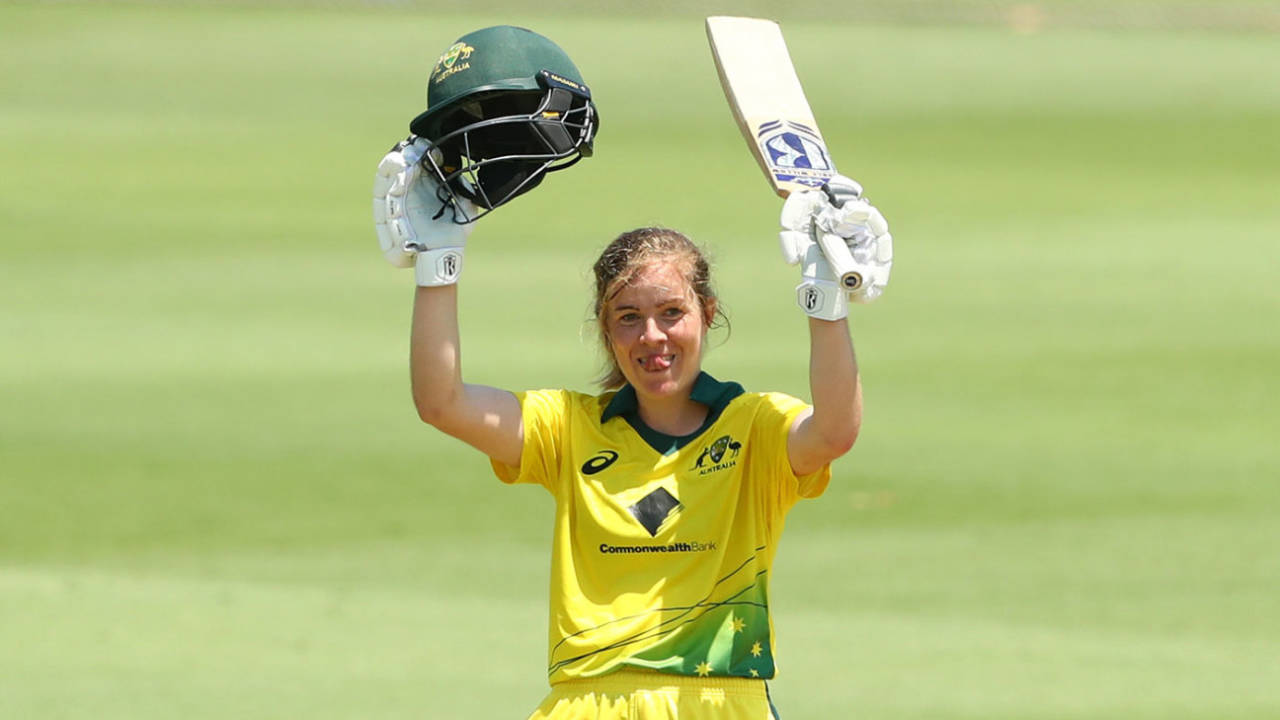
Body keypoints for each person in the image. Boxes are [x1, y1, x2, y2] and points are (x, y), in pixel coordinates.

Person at [373, 25, 892, 720]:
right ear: (604, 329)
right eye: (628, 318)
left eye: (672, 312)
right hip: (586, 702)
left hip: (720, 697)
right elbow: (442, 402)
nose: (653, 337)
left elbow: (834, 431)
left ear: (707, 314)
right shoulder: (568, 430)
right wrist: (438, 263)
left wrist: (828, 303)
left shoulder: (755, 429)